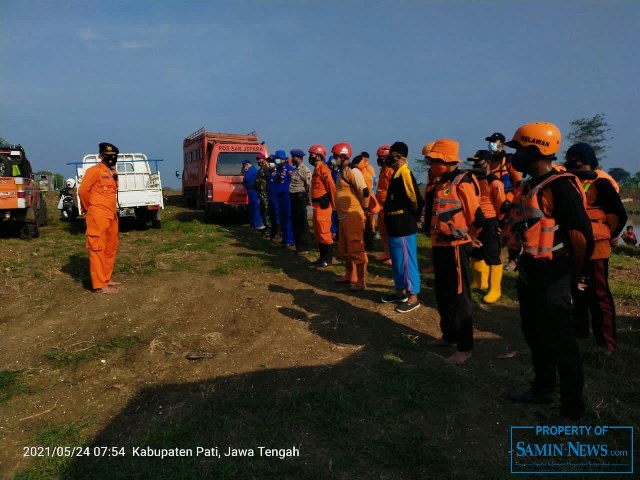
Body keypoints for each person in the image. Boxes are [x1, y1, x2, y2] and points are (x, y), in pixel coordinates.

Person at [504, 122, 594, 422]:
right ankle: (542, 388)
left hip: (556, 274)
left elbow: (582, 236)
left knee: (561, 341)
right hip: (531, 271)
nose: (514, 155)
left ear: (535, 149)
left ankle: (572, 408)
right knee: (534, 333)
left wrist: (579, 276)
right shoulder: (529, 186)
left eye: (518, 149)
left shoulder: (562, 187)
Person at [565, 142, 627, 353]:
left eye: (578, 164)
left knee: (599, 294)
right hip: (574, 244)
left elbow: (619, 214)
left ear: (589, 163)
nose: (574, 167)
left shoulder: (601, 182)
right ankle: (580, 331)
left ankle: (607, 342)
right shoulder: (570, 181)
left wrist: (611, 235)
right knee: (576, 290)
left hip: (597, 245)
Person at [426, 139, 484, 365]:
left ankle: (464, 347)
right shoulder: (441, 183)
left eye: (434, 160)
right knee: (443, 294)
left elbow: (477, 218)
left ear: (447, 160)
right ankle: (449, 336)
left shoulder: (463, 183)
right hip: (440, 247)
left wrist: (470, 238)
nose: (430, 164)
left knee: (460, 298)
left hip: (456, 248)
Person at [380, 142, 424, 313]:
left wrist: (412, 215)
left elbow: (414, 198)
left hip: (403, 223)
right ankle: (400, 292)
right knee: (398, 261)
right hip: (393, 224)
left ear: (398, 155)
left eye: (391, 154)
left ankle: (413, 297)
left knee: (407, 260)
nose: (388, 158)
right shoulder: (395, 173)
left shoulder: (404, 172)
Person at [78, 142, 121, 294]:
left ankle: (106, 278)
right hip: (97, 216)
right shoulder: (94, 171)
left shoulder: (113, 172)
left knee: (110, 248)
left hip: (111, 215)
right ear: (101, 156)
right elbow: (83, 191)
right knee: (97, 248)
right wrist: (87, 208)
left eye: (114, 156)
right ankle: (99, 285)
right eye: (108, 156)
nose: (112, 159)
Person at [467, 150, 506, 303]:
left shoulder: (495, 183)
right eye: (474, 162)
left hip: (490, 221)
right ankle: (479, 282)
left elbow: (501, 205)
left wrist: (500, 224)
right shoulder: (474, 179)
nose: (475, 164)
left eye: (479, 161)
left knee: (492, 255)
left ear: (487, 163)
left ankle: (495, 289)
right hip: (476, 220)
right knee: (476, 252)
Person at [332, 142, 369, 290]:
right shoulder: (342, 171)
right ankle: (350, 275)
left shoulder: (353, 171)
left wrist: (365, 209)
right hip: (343, 217)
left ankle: (361, 281)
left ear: (342, 156)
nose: (333, 159)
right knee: (345, 249)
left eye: (335, 156)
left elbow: (364, 191)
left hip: (353, 215)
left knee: (356, 248)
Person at [309, 144, 336, 268]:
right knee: (318, 232)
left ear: (319, 156)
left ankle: (328, 259)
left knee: (324, 232)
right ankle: (321, 258)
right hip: (316, 205)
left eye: (312, 155)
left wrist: (334, 204)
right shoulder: (316, 169)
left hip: (323, 205)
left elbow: (331, 187)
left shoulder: (323, 170)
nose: (310, 157)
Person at [485, 132, 522, 203]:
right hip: (492, 201)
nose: (491, 143)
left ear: (501, 144)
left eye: (494, 141)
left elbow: (518, 182)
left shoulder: (508, 159)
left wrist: (511, 200)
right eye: (490, 141)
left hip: (507, 200)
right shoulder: (488, 161)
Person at [289, 149, 312, 255]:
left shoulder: (305, 170)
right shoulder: (296, 170)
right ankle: (299, 247)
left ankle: (304, 247)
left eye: (294, 157)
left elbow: (309, 186)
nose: (292, 159)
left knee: (302, 223)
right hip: (294, 198)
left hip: (300, 198)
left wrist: (309, 200)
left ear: (299, 158)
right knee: (296, 223)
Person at [353, 151, 376, 251]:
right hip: (363, 197)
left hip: (367, 197)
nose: (364, 161)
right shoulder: (360, 170)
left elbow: (373, 183)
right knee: (365, 221)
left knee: (368, 221)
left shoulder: (369, 170)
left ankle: (369, 241)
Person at [375, 144, 393, 264]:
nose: (379, 160)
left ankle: (392, 256)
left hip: (388, 206)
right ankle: (386, 253)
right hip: (380, 206)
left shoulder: (391, 171)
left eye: (382, 157)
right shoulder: (382, 170)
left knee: (390, 232)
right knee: (383, 231)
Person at [274, 150, 295, 246]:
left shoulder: (289, 168)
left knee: (287, 218)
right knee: (281, 218)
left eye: (278, 158)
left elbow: (293, 182)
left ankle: (290, 240)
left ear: (284, 159)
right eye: (276, 158)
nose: (277, 160)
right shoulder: (277, 168)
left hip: (286, 195)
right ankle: (285, 238)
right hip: (278, 196)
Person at [242, 159, 264, 230]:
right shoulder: (252, 169)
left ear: (247, 164)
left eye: (244, 166)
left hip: (253, 190)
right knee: (252, 207)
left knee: (254, 207)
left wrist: (245, 174)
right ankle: (253, 223)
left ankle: (258, 224)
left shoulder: (252, 170)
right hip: (251, 190)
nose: (244, 168)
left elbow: (246, 178)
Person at [255, 153, 271, 234]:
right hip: (261, 193)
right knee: (263, 211)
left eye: (260, 159)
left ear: (264, 159)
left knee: (266, 210)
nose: (258, 161)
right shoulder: (260, 170)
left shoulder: (267, 169)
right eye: (258, 159)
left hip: (266, 193)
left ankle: (269, 227)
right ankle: (265, 226)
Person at [266, 155, 281, 241]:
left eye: (271, 161)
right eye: (269, 161)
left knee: (277, 215)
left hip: (276, 197)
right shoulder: (269, 171)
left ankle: (278, 233)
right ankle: (273, 232)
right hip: (270, 197)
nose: (270, 163)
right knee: (271, 215)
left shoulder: (279, 171)